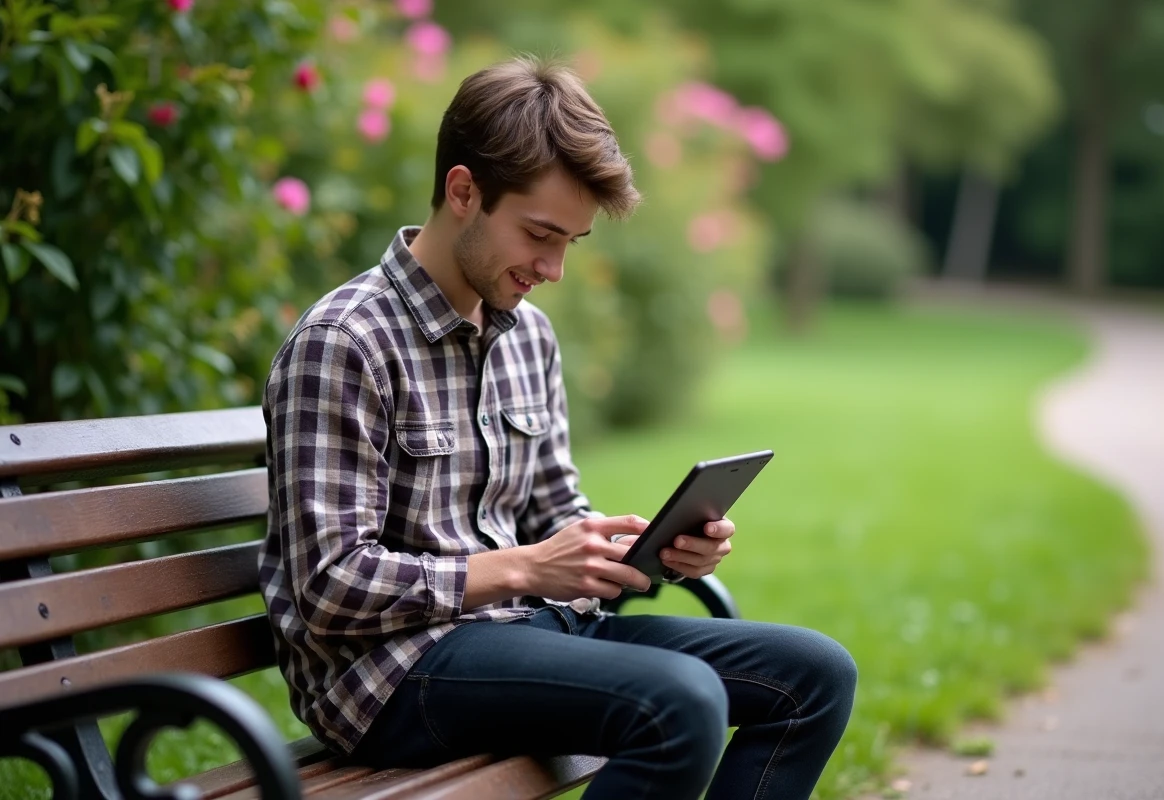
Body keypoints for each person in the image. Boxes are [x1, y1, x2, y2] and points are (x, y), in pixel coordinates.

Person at [259, 56, 856, 800]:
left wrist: (648, 552)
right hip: (392, 676)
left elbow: (553, 511)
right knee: (679, 704)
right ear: (463, 191)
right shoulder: (345, 344)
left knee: (816, 676)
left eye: (571, 241)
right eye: (540, 234)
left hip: (531, 632)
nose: (554, 267)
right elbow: (329, 586)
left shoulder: (527, 335)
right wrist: (522, 569)